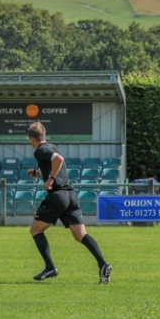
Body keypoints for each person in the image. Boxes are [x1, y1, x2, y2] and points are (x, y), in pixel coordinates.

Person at [27, 121, 112, 283]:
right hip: (71, 195)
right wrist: (39, 174)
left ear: (32, 138)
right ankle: (103, 264)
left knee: (35, 230)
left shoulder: (39, 151)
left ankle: (50, 267)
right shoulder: (52, 147)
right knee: (81, 235)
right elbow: (56, 163)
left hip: (57, 196)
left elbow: (58, 160)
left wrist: (50, 179)